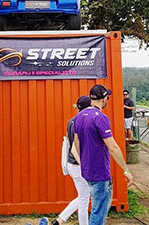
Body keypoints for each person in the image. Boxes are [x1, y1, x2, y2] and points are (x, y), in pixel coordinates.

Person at [73, 84, 133, 225]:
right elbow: (112, 147)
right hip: (99, 172)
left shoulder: (79, 116)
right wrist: (126, 170)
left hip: (87, 170)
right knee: (98, 213)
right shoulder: (101, 118)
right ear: (104, 99)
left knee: (97, 207)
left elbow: (76, 142)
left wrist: (84, 161)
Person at [51, 95, 91, 225]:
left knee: (83, 196)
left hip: (71, 164)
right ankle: (63, 220)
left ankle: (60, 220)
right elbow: (75, 147)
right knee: (84, 199)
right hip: (78, 164)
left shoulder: (71, 121)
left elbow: (69, 141)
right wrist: (84, 165)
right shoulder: (82, 122)